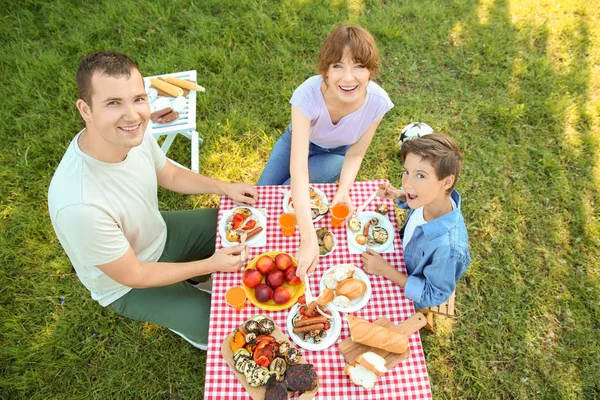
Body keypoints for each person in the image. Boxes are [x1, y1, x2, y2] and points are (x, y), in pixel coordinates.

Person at [48, 51, 259, 350]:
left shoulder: (131, 132)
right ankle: (194, 302)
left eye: (137, 98)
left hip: (159, 232)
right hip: (126, 284)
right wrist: (211, 263)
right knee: (227, 330)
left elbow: (169, 174)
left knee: (245, 229)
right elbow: (133, 273)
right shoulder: (79, 205)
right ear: (85, 109)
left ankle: (195, 277)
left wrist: (224, 187)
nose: (133, 115)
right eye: (113, 103)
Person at [257, 25, 394, 280]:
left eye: (359, 66)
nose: (348, 78)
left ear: (371, 70)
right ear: (326, 70)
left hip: (335, 155)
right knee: (261, 197)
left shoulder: (378, 102)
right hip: (296, 144)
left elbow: (356, 154)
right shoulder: (306, 95)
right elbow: (298, 167)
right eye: (338, 66)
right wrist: (309, 239)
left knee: (287, 194)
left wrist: (343, 190)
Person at [361, 134, 471, 310]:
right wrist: (400, 195)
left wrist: (386, 270)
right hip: (398, 256)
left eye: (420, 175)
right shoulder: (428, 198)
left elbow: (433, 295)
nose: (407, 183)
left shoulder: (448, 248)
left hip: (406, 288)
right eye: (406, 172)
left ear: (447, 182)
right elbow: (412, 198)